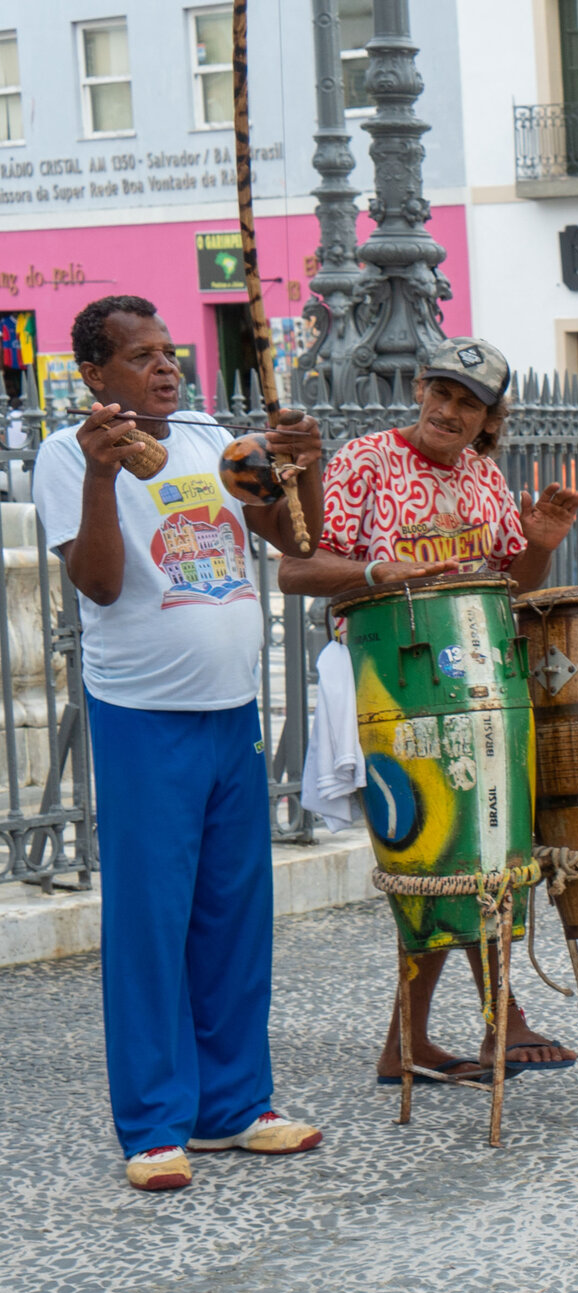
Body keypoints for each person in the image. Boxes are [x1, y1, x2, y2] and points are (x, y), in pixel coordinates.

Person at [36, 293, 328, 1191]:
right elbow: (97, 579)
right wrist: (100, 476)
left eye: (170, 352)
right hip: (140, 714)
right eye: (140, 356)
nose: (166, 368)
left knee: (232, 915)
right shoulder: (63, 455)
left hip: (227, 709)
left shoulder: (213, 441)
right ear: (94, 374)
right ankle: (154, 1121)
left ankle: (234, 1106)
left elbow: (290, 542)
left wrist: (301, 467)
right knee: (151, 922)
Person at [282, 336, 578, 1082]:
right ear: (420, 388)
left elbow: (509, 587)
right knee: (438, 849)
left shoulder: (487, 478)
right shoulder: (364, 461)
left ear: (489, 418)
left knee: (483, 843)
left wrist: (541, 542)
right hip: (393, 682)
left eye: (469, 403)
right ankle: (500, 1018)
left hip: (479, 683)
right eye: (441, 393)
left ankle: (414, 1042)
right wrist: (374, 569)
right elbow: (298, 566)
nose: (450, 411)